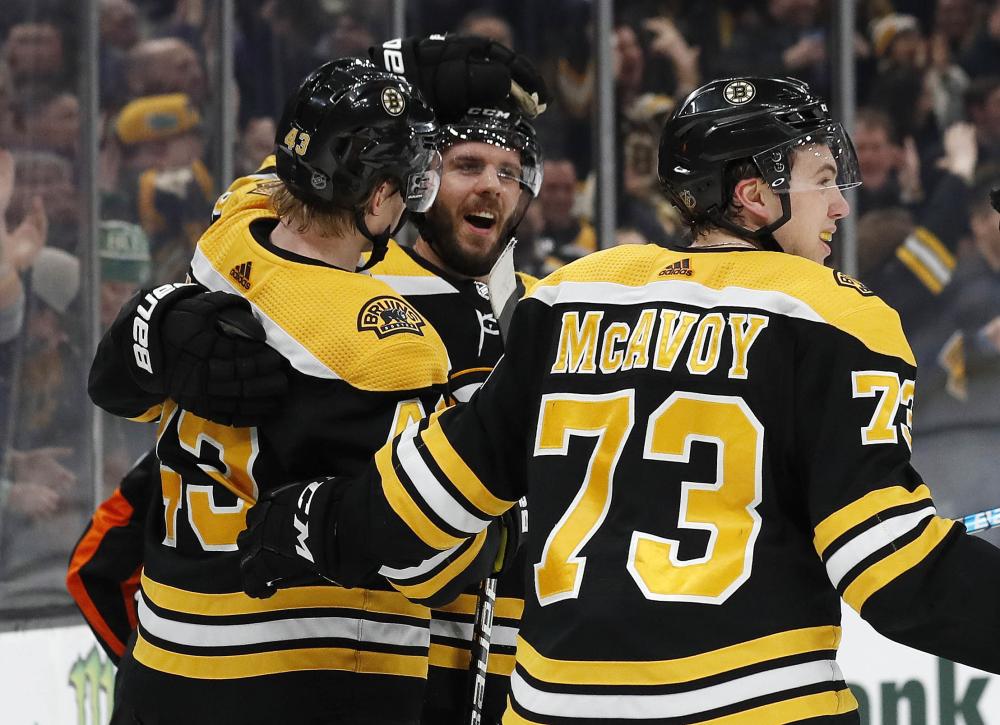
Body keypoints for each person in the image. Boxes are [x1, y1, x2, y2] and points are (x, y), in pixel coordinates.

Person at [239, 77, 1000, 723]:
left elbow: (429, 502)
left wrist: (304, 519)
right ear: (754, 194)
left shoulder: (574, 294)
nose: (838, 204)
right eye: (822, 178)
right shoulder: (835, 316)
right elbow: (891, 568)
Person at [81, 39, 550, 724]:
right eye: (459, 164)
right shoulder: (389, 327)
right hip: (325, 670)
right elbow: (428, 553)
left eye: (511, 169)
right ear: (391, 194)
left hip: (185, 658)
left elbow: (294, 173)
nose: (491, 186)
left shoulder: (231, 242)